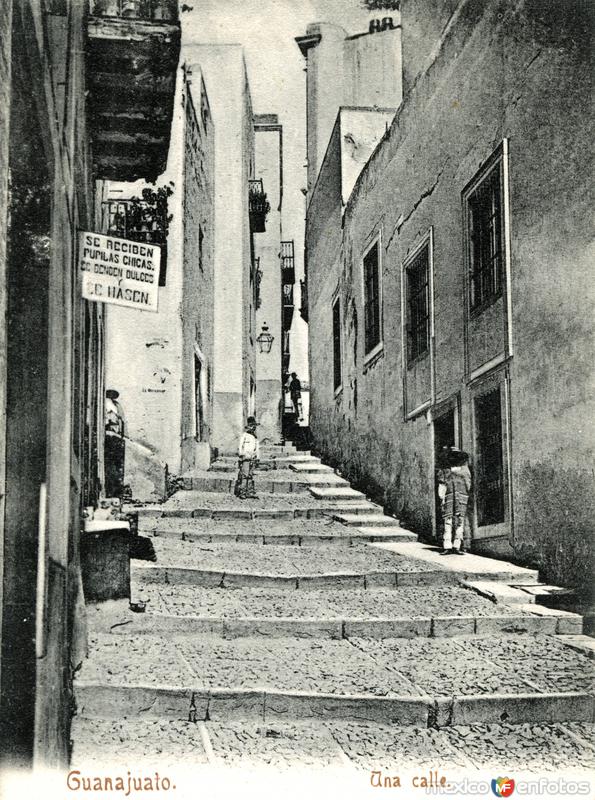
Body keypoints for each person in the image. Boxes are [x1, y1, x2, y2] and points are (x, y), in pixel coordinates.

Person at [438, 447, 471, 555]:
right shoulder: (444, 471)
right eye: (452, 456)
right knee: (448, 521)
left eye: (456, 456)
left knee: (459, 521)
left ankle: (457, 546)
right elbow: (442, 485)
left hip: (461, 497)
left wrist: (464, 494)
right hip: (449, 498)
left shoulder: (465, 470)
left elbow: (468, 484)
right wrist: (442, 498)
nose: (454, 458)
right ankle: (447, 546)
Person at [104, 389, 126, 498]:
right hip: (110, 436)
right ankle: (112, 492)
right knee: (112, 467)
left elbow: (121, 420)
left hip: (115, 436)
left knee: (116, 466)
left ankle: (115, 491)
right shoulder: (107, 404)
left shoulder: (116, 405)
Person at [235, 416, 260, 499]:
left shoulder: (255, 437)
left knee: (250, 475)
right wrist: (242, 455)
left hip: (253, 458)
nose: (253, 427)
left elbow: (257, 448)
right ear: (248, 426)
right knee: (244, 475)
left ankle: (249, 491)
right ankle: (242, 492)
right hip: (245, 459)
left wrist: (257, 457)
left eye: (254, 426)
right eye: (252, 425)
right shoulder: (244, 436)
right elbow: (240, 446)